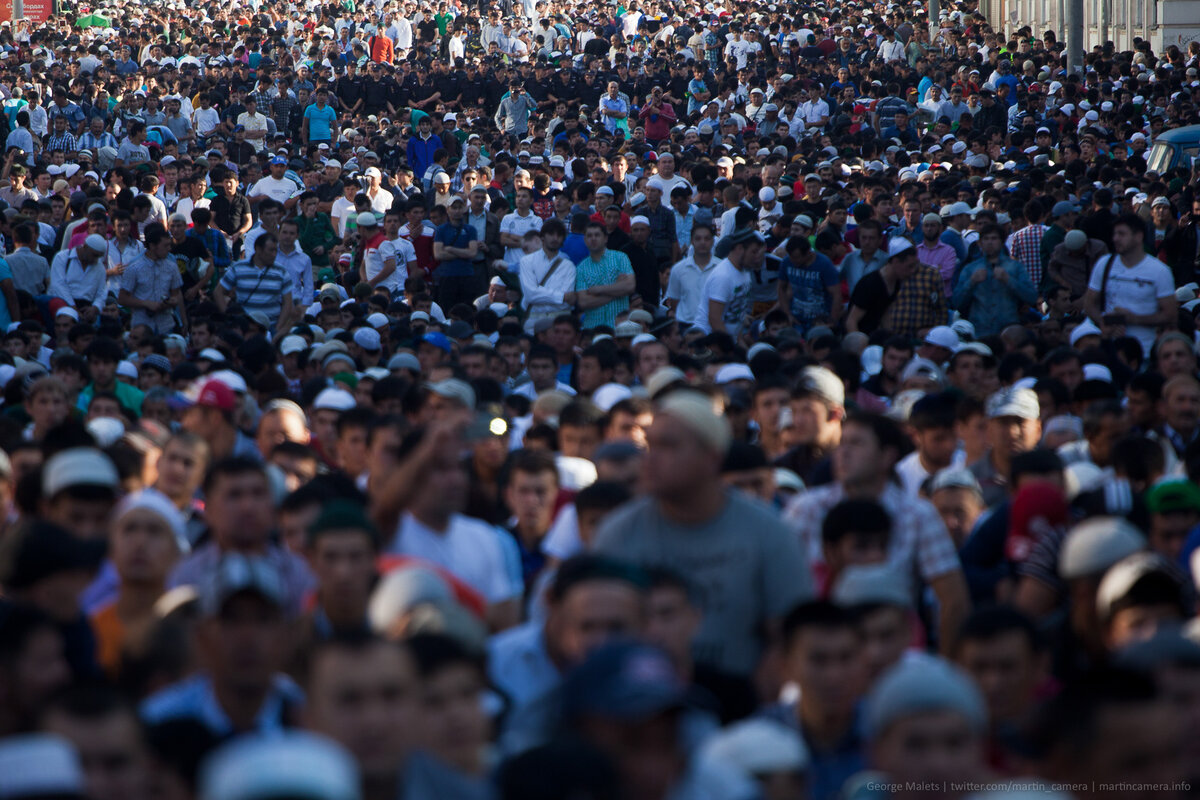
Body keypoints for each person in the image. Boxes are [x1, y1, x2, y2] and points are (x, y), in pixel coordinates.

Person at [593, 391, 812, 677]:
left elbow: (791, 635)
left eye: (669, 446)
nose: (651, 459)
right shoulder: (618, 533)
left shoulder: (767, 532)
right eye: (650, 446)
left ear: (712, 457)